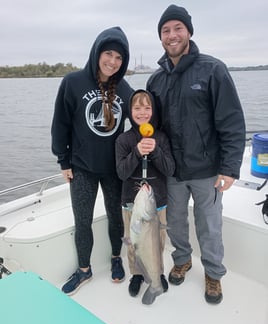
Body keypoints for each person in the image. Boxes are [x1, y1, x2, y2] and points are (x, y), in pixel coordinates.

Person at [147, 5, 246, 304]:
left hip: (207, 170)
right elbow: (150, 125)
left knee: (209, 226)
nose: (172, 35)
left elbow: (231, 121)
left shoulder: (213, 69)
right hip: (173, 171)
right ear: (160, 37)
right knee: (175, 223)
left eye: (178, 28)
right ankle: (182, 259)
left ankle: (214, 274)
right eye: (165, 30)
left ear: (189, 31)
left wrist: (229, 168)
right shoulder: (155, 80)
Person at [51, 26, 134, 295]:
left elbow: (143, 116)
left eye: (119, 57)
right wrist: (63, 161)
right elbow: (60, 124)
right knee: (82, 221)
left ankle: (116, 258)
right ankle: (84, 270)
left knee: (115, 218)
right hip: (82, 168)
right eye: (108, 53)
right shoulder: (73, 82)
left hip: (113, 169)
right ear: (97, 52)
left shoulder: (124, 88)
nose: (112, 61)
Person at [115, 89, 175, 297]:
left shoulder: (162, 137)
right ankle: (137, 274)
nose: (142, 112)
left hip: (156, 203)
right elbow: (121, 172)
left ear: (153, 110)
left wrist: (156, 151)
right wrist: (137, 152)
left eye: (147, 108)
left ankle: (157, 273)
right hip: (131, 204)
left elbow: (170, 169)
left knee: (157, 241)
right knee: (133, 242)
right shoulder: (124, 139)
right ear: (130, 111)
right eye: (137, 108)